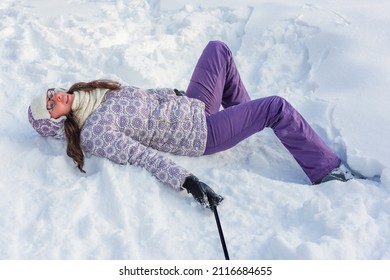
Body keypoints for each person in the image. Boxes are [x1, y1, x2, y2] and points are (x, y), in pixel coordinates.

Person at [28, 41, 360, 209]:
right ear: (54, 123)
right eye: (49, 106)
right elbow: (144, 157)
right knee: (276, 106)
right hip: (201, 133)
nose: (55, 96)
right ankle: (325, 170)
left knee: (218, 50)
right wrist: (189, 182)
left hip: (191, 106)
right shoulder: (96, 131)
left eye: (50, 93)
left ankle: (245, 117)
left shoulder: (91, 93)